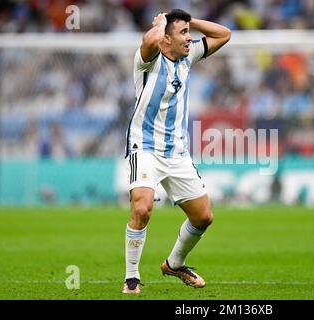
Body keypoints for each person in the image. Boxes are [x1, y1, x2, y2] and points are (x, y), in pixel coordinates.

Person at [122, 9, 231, 294]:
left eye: (189, 33)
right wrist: (161, 23)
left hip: (177, 153)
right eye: (183, 33)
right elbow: (149, 42)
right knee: (143, 207)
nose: (190, 38)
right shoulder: (147, 61)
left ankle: (175, 263)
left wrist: (187, 20)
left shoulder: (188, 57)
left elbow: (223, 34)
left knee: (203, 217)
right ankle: (131, 277)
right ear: (165, 39)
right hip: (144, 147)